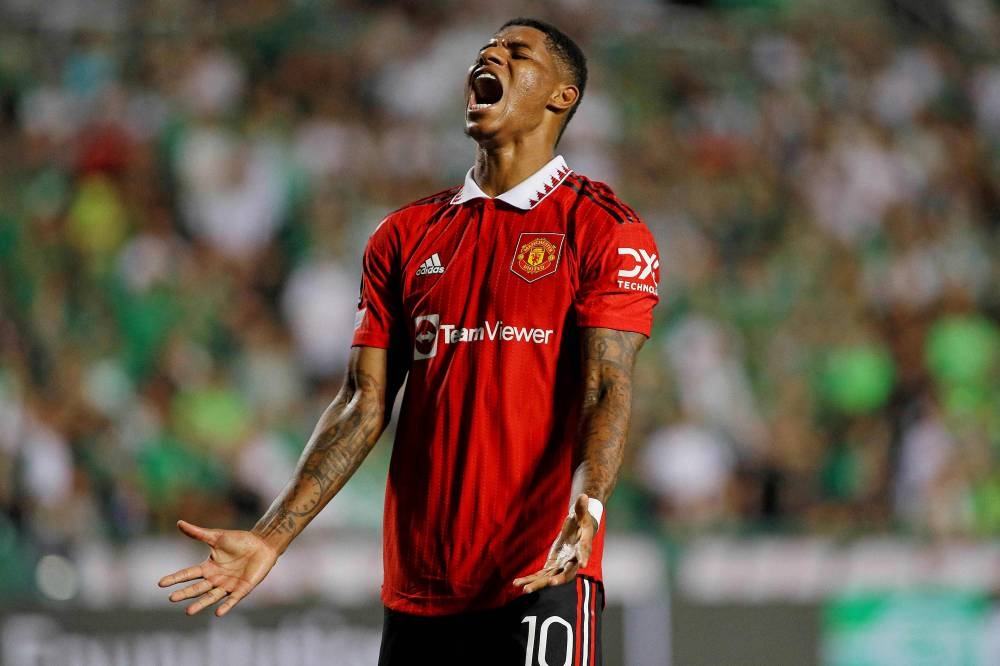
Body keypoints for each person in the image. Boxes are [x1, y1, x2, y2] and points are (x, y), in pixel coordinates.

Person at [158, 17, 659, 666]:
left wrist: (585, 511)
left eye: (516, 52)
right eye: (486, 51)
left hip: (540, 579)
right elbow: (361, 403)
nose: (491, 57)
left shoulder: (604, 229)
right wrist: (271, 537)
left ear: (561, 95)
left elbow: (606, 385)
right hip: (420, 591)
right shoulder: (404, 236)